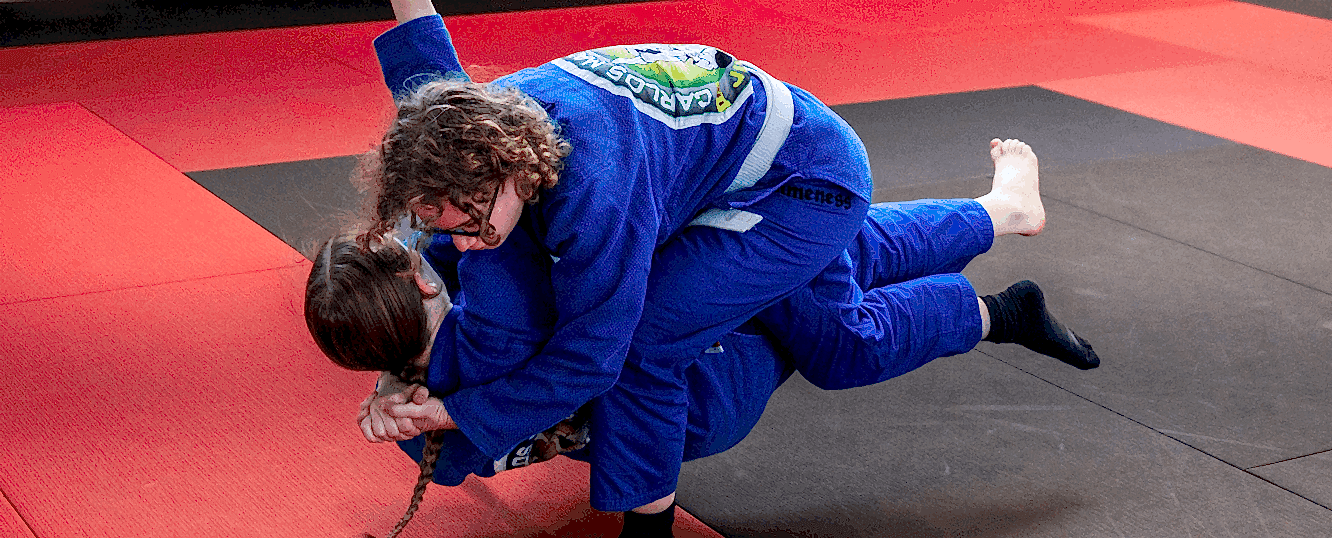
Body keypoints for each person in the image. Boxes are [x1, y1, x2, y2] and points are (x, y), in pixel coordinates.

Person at [351, 0, 1099, 526]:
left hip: (802, 185)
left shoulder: (594, 195)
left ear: (501, 169)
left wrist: (457, 412)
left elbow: (594, 357)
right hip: (764, 162)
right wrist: (397, 372)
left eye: (471, 225)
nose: (466, 245)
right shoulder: (470, 123)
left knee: (677, 338)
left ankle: (997, 310)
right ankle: (1001, 214)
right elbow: (424, 68)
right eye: (444, 231)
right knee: (831, 283)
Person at [307, 190, 1099, 538]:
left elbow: (454, 450)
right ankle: (994, 281)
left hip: (685, 420)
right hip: (703, 377)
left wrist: (395, 384)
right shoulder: (492, 298)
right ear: (417, 279)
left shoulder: (417, 424)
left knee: (819, 261)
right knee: (824, 273)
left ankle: (997, 256)